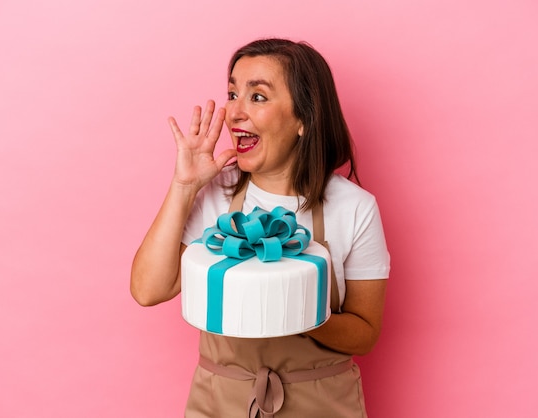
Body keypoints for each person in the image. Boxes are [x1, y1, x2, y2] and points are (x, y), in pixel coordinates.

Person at [131, 38, 390, 417]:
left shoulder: (354, 208)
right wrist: (184, 188)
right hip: (221, 401)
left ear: (304, 118)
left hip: (321, 404)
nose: (234, 112)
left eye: (258, 97)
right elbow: (148, 290)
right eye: (233, 92)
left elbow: (365, 333)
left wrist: (296, 309)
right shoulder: (215, 193)